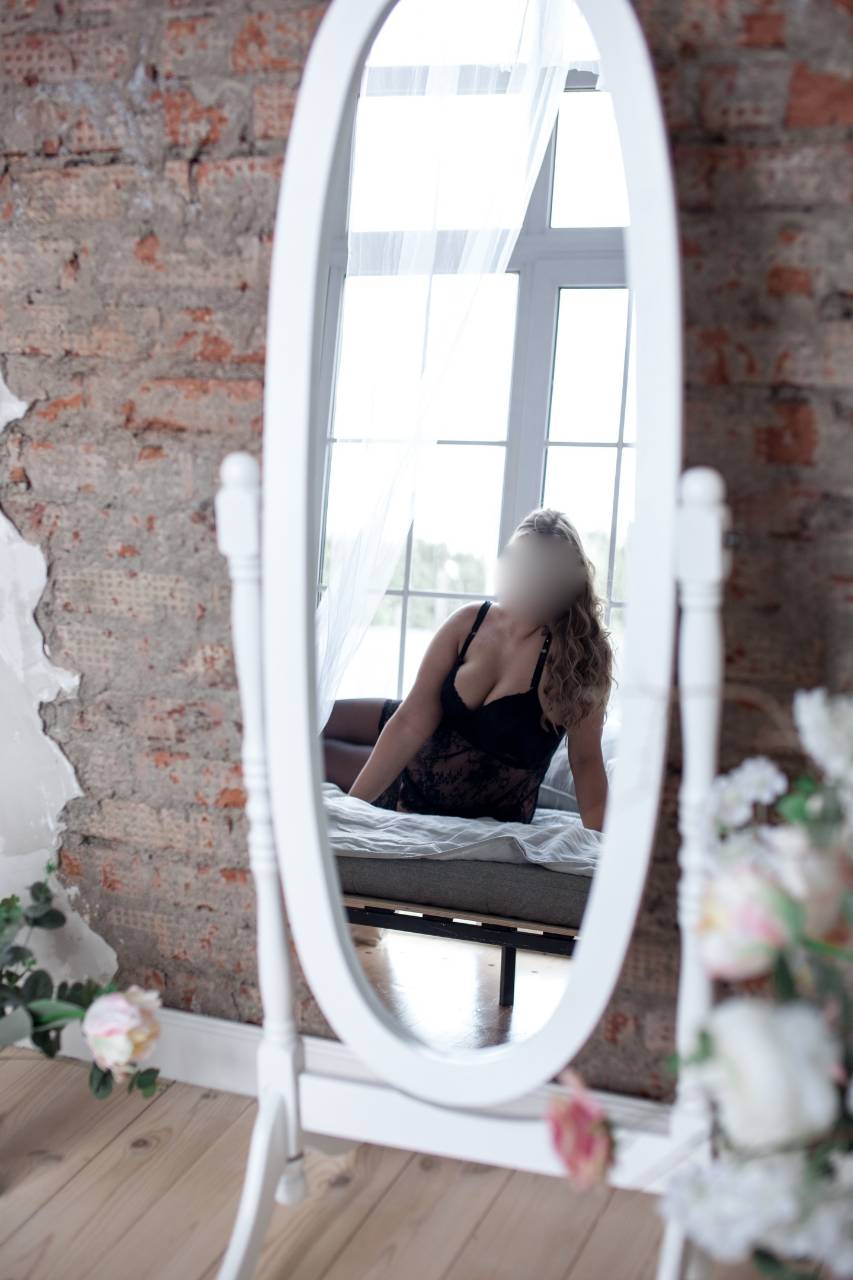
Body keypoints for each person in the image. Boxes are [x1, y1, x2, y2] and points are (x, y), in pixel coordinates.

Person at [322, 508, 614, 830]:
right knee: (315, 717)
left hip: (428, 790)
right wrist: (350, 812)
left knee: (316, 753)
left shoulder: (579, 656)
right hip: (416, 739)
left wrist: (601, 843)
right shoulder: (471, 621)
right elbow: (411, 720)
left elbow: (585, 761)